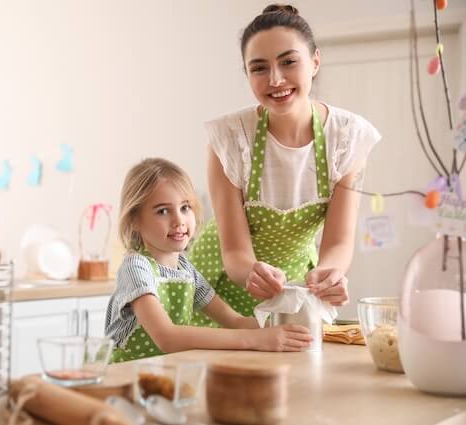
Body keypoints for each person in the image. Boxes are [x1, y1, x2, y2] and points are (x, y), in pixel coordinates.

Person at [188, 4, 381, 326]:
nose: (275, 80)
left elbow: (338, 242)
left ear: (315, 61)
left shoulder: (347, 136)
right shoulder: (230, 137)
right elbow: (234, 249)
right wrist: (250, 270)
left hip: (294, 285)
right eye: (259, 68)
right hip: (217, 283)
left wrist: (329, 274)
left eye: (289, 62)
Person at [104, 158, 312, 362]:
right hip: (126, 376)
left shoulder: (187, 271)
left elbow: (235, 321)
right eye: (163, 211)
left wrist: (281, 330)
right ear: (134, 221)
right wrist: (256, 339)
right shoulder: (136, 268)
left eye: (185, 208)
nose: (179, 221)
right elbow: (167, 337)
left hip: (165, 374)